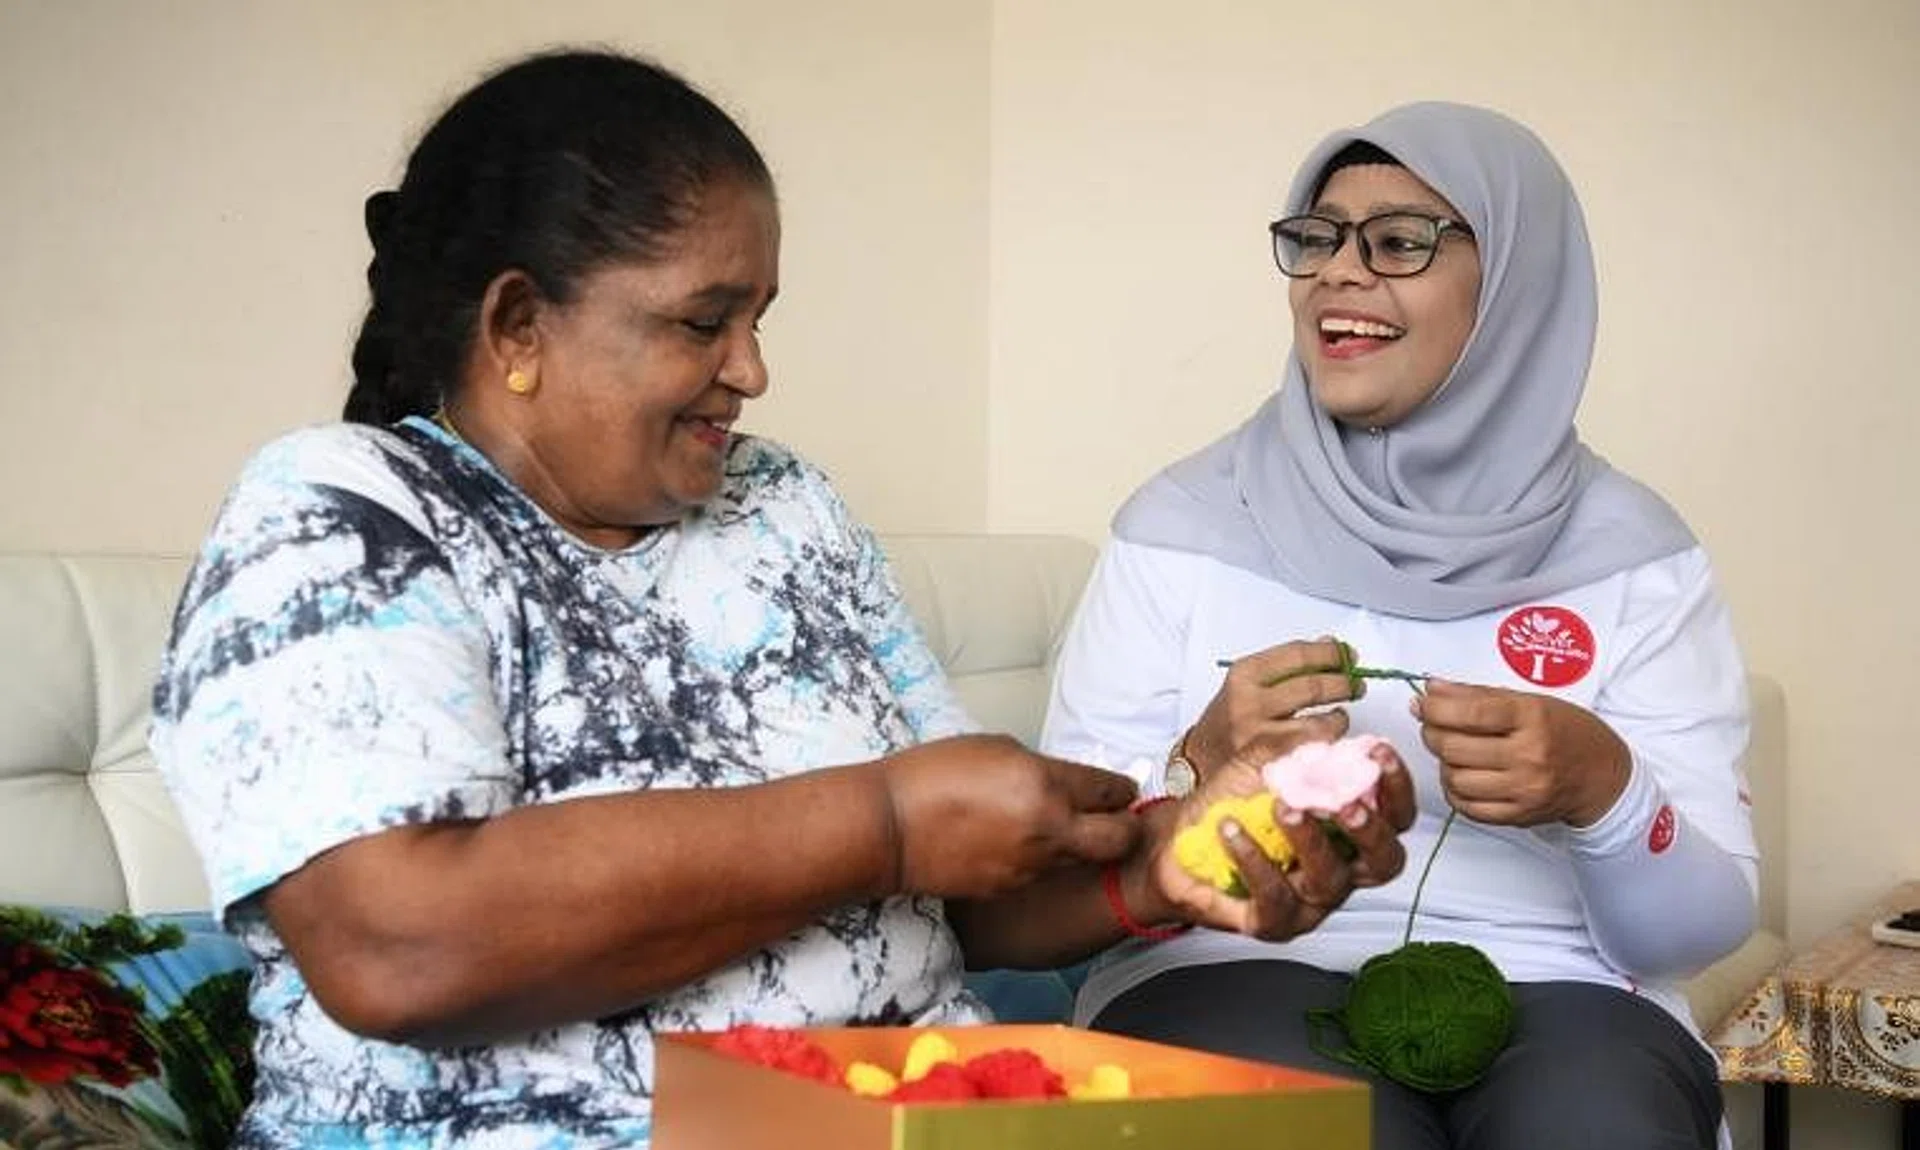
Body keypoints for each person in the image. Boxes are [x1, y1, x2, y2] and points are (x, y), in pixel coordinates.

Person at [148, 50, 1414, 1149]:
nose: (751, 368)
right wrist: (884, 824)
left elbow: (967, 893)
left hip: (917, 1100)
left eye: (756, 315)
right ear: (519, 324)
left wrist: (1168, 862)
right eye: (704, 319)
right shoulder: (345, 509)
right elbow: (393, 942)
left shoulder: (781, 506)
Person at [1041, 102, 1759, 1150]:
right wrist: (1196, 768)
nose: (1338, 270)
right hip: (1222, 965)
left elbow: (1688, 938)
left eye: (1400, 241)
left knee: (1598, 1127)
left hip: (1566, 992)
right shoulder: (1181, 526)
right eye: (1317, 237)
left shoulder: (1637, 553)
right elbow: (1059, 886)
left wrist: (1602, 787)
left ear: (1518, 281)